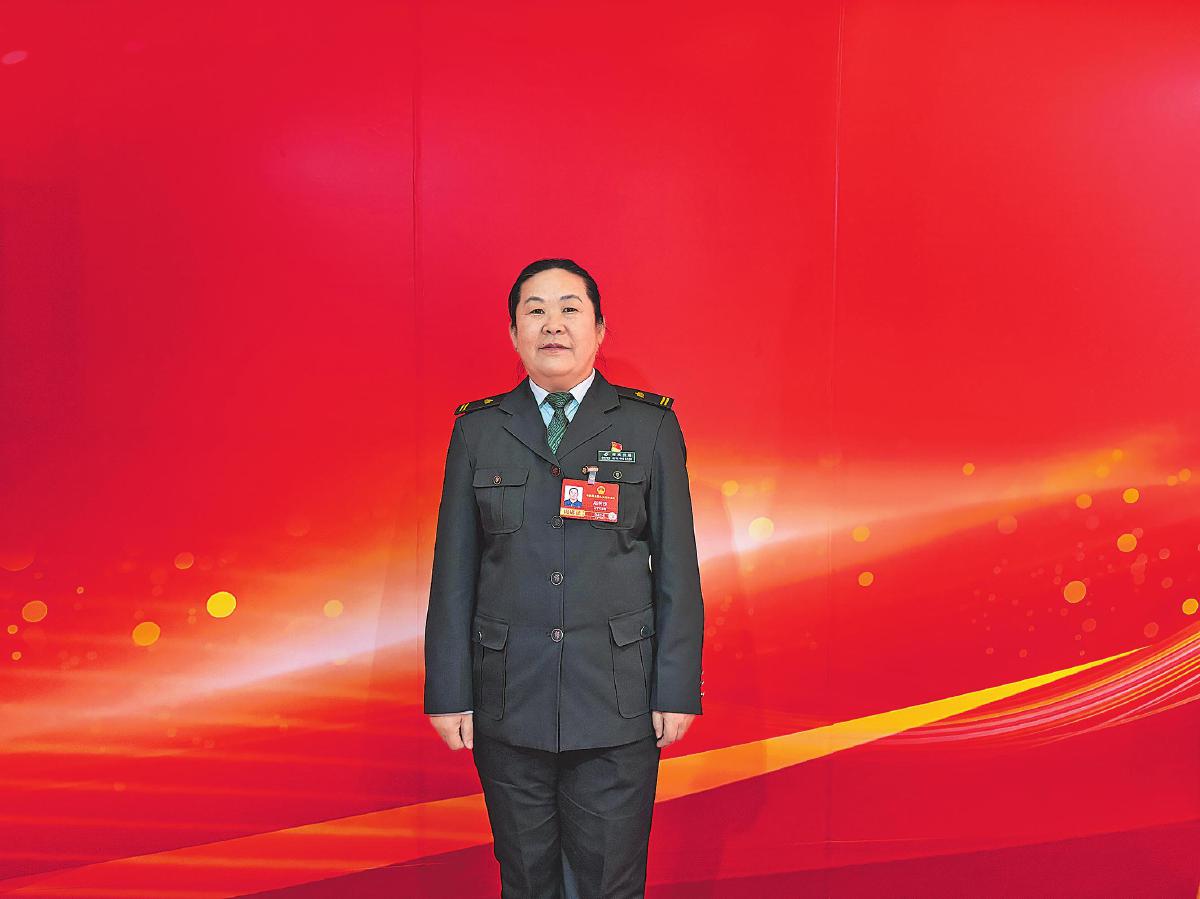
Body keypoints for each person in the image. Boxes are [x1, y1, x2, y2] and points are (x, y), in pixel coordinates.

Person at [424, 257, 705, 898]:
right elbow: (453, 572)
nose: (553, 324)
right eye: (536, 310)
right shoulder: (479, 430)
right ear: (514, 333)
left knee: (609, 884)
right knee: (526, 881)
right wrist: (447, 691)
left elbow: (677, 569)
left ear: (599, 329)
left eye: (570, 309)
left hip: (616, 701)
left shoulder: (648, 426)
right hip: (508, 700)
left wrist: (676, 688)